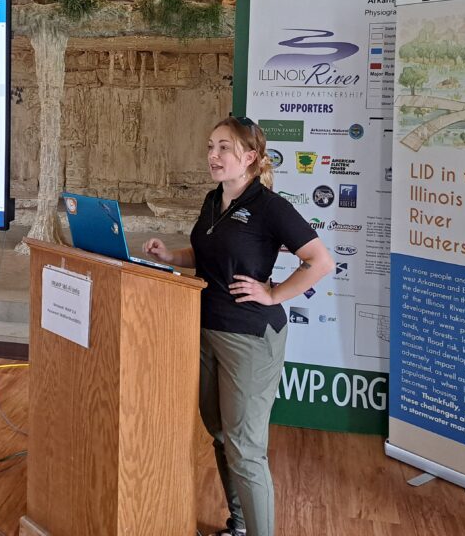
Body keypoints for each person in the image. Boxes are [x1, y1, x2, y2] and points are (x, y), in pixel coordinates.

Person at [143, 116, 334, 536]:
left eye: (224, 148)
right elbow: (205, 249)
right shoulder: (214, 199)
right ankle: (241, 525)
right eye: (211, 146)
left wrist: (274, 293)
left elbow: (320, 261)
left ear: (249, 157)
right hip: (207, 328)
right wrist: (170, 258)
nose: (213, 155)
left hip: (250, 339)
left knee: (246, 450)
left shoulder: (270, 207)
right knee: (220, 434)